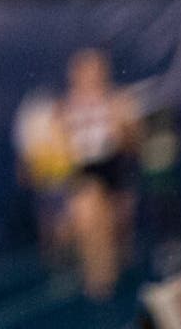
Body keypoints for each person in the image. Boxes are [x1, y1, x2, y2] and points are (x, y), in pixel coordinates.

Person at [58, 48, 140, 300]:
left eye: (95, 70)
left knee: (110, 226)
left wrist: (124, 129)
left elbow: (133, 139)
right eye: (85, 70)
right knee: (87, 216)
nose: (90, 76)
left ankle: (107, 275)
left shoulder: (117, 100)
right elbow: (58, 142)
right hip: (85, 171)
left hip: (113, 167)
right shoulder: (67, 105)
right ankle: (97, 279)